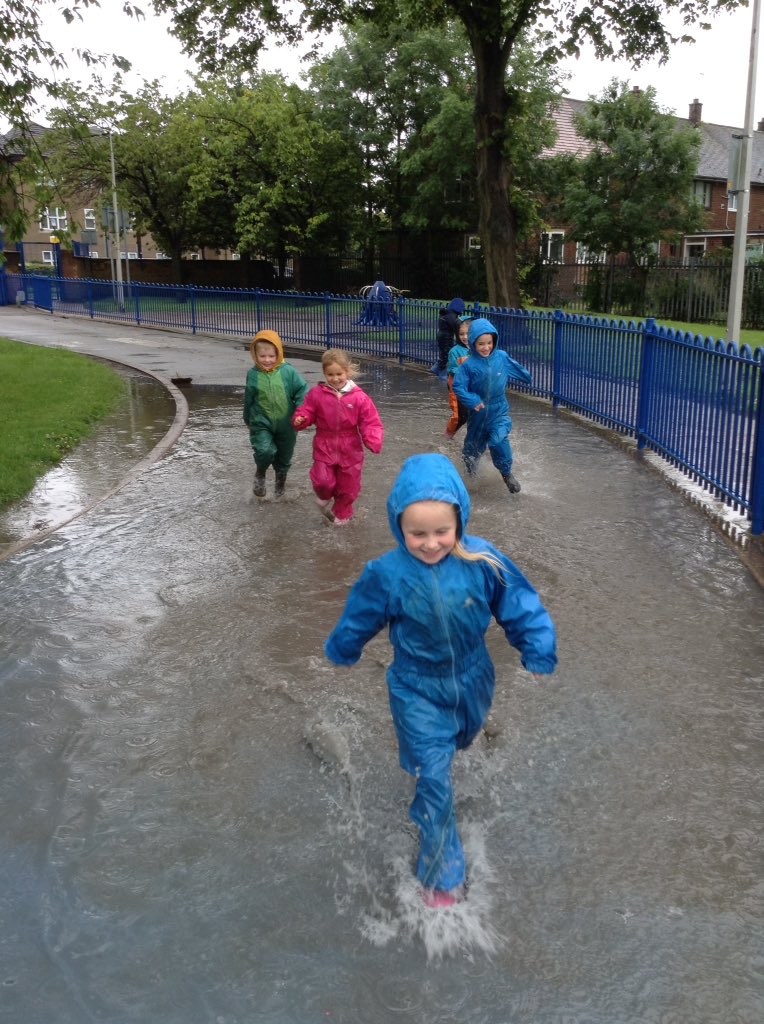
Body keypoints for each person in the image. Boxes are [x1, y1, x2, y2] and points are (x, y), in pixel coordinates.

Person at [325, 453, 557, 908]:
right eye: (418, 534)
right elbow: (360, 615)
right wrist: (344, 646)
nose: (431, 544)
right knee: (433, 774)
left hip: (474, 677)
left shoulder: (482, 560)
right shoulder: (387, 574)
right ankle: (442, 877)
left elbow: (520, 604)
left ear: (459, 522)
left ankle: (448, 757)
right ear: (399, 527)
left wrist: (537, 645)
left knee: (462, 740)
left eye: (441, 532)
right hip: (415, 687)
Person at [292, 348, 384, 526]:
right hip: (324, 446)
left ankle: (342, 517)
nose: (335, 379)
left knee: (348, 488)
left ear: (347, 372)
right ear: (324, 373)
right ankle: (323, 497)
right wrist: (301, 419)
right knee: (323, 481)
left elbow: (370, 421)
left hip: (351, 450)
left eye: (339, 374)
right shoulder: (317, 394)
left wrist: (373, 439)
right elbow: (307, 410)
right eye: (330, 374)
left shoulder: (359, 398)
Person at [452, 316, 532, 494]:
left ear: (494, 341)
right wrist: (473, 401)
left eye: (489, 343)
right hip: (478, 415)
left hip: (498, 411)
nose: (486, 347)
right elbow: (459, 386)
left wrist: (526, 376)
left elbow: (517, 369)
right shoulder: (468, 366)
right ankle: (471, 476)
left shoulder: (501, 357)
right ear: (473, 343)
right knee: (471, 451)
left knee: (498, 441)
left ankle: (506, 474)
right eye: (481, 344)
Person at [243, 329, 309, 499]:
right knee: (264, 451)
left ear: (278, 354)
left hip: (287, 424)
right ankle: (260, 472)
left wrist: (301, 412)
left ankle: (280, 487)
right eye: (262, 356)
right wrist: (247, 419)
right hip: (261, 422)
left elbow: (302, 390)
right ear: (255, 355)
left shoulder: (288, 372)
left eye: (271, 356)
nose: (267, 360)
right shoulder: (253, 374)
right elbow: (249, 398)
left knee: (284, 457)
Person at [444, 315, 472, 439]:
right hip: (457, 387)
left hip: (472, 387)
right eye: (461, 334)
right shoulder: (454, 351)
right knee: (460, 415)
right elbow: (453, 369)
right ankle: (448, 435)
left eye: (468, 333)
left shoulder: (478, 348)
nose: (465, 337)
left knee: (475, 413)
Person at [433, 298, 466, 380]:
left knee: (443, 353)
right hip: (447, 337)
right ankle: (443, 374)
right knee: (448, 354)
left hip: (441, 335)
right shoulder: (451, 316)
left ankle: (436, 369)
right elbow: (455, 326)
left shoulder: (445, 312)